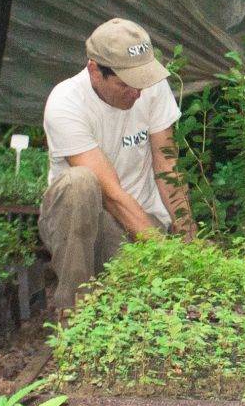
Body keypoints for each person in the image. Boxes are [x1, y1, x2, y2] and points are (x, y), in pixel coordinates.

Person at [40, 17, 196, 313]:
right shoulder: (66, 103)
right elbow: (110, 195)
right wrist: (166, 256)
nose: (137, 93)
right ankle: (74, 312)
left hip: (140, 217)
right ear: (95, 71)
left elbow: (167, 164)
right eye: (125, 85)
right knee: (79, 182)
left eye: (142, 82)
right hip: (81, 221)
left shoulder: (151, 86)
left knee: (145, 302)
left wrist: (188, 237)